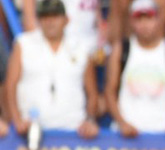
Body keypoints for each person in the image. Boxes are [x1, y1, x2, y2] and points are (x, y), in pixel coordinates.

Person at [4, 0, 100, 141]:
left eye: (55, 16)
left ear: (66, 20)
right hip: (31, 132)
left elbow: (92, 93)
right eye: (45, 17)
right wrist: (17, 120)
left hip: (73, 131)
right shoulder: (24, 44)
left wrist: (90, 120)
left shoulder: (81, 48)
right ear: (39, 20)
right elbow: (10, 86)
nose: (50, 22)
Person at [105, 0, 165, 139]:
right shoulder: (122, 49)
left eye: (149, 18)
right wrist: (122, 123)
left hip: (162, 133)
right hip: (126, 134)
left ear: (158, 20)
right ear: (131, 22)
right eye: (139, 19)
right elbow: (110, 91)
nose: (144, 24)